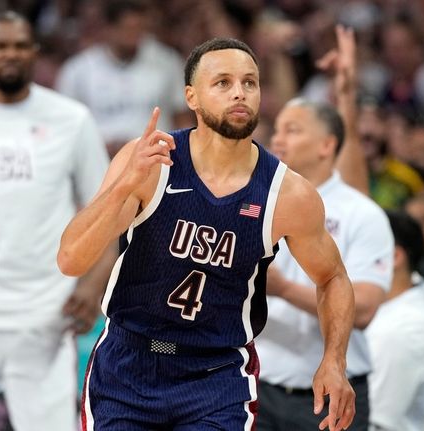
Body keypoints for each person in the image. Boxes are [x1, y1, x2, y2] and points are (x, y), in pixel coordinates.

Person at [58, 37, 357, 431]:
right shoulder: (150, 162)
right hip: (127, 366)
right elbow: (70, 260)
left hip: (216, 377)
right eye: (223, 83)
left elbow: (333, 277)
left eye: (250, 83)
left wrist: (334, 360)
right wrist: (124, 186)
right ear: (191, 97)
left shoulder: (288, 194)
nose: (240, 92)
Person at [0, 12, 111, 431]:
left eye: (20, 45)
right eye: (0, 45)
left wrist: (93, 285)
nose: (10, 54)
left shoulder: (72, 119)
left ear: (35, 53)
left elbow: (109, 212)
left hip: (44, 313)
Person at [254, 27, 394, 431]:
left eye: (293, 130)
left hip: (327, 395)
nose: (278, 139)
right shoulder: (258, 199)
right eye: (277, 129)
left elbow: (364, 309)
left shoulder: (361, 213)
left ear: (327, 145)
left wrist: (282, 289)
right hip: (258, 386)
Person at [56, 0, 190, 156]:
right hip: (99, 159)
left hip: (158, 158)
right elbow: (65, 126)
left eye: (139, 29)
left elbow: (182, 118)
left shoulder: (167, 61)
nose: (133, 36)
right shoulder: (78, 70)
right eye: (127, 29)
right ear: (108, 28)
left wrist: (185, 155)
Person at [366, 211, 424, 431]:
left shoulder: (404, 330)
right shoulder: (416, 292)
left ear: (394, 257)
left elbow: (376, 421)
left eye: (359, 248)